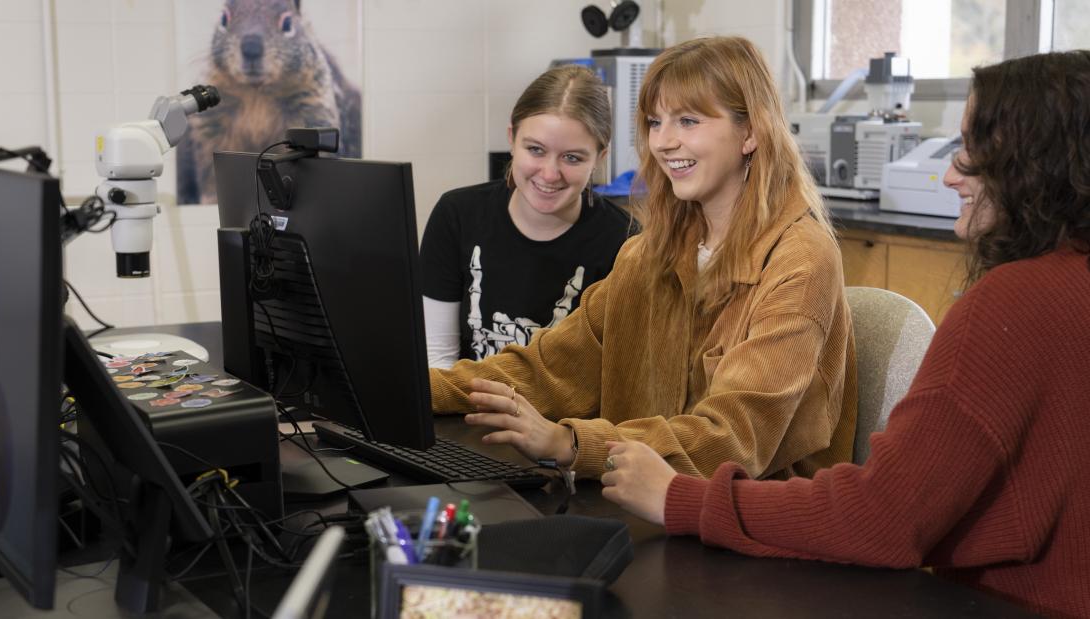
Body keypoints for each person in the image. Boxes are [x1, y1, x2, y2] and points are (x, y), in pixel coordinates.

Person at [600, 50, 1090, 618]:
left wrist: (679, 498)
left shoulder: (1015, 304)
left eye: (971, 151)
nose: (951, 174)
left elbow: (885, 517)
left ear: (1033, 164)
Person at [427, 36, 857, 481]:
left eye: (687, 121)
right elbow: (546, 369)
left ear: (750, 133)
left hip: (747, 513)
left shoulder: (802, 261)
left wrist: (569, 443)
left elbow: (732, 438)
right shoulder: (649, 253)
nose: (663, 142)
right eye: (655, 122)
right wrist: (418, 390)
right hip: (635, 495)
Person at [421, 64, 633, 369]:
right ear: (512, 138)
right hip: (463, 398)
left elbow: (617, 373)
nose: (550, 173)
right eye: (535, 150)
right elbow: (437, 358)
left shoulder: (625, 242)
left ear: (599, 158)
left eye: (572, 157)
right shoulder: (456, 215)